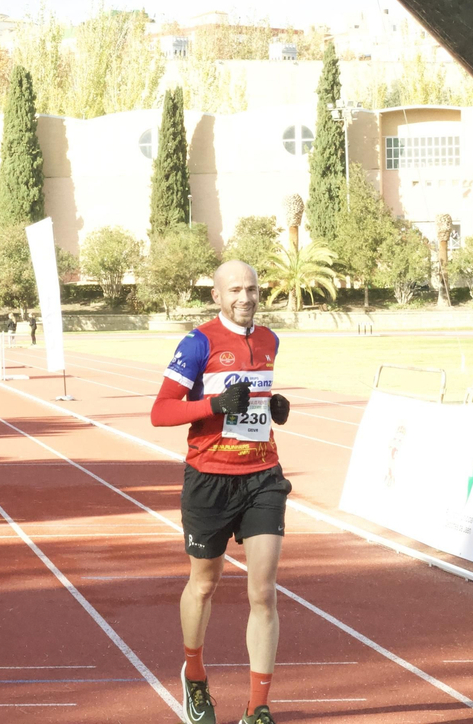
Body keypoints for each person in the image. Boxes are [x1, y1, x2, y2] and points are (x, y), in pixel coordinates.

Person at [150, 260, 291, 724]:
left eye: (251, 289)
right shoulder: (198, 343)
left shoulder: (270, 340)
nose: (245, 298)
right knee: (205, 583)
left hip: (263, 477)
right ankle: (194, 677)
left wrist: (273, 407)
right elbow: (161, 411)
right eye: (235, 291)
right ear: (216, 296)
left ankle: (258, 707)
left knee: (263, 592)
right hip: (209, 479)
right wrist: (212, 405)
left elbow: (255, 404)